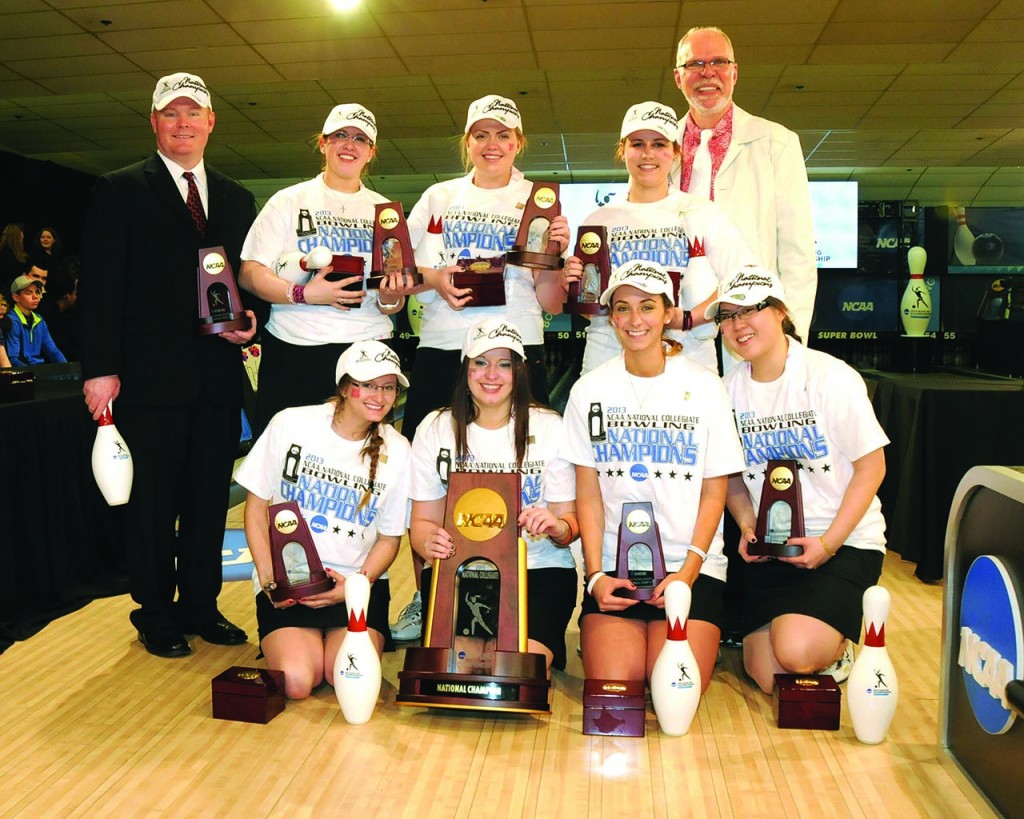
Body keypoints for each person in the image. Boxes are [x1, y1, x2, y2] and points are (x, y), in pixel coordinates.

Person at [78, 72, 258, 659]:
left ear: (211, 123)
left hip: (215, 377)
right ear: (154, 122)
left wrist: (248, 319)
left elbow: (241, 284)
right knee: (152, 502)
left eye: (194, 113)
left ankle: (201, 606)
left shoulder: (234, 197)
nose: (183, 123)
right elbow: (102, 288)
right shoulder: (120, 189)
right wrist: (100, 370)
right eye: (171, 113)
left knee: (209, 497)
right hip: (148, 377)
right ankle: (154, 613)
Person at [392, 95, 573, 640]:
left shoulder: (537, 200)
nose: (492, 145)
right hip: (447, 346)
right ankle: (428, 599)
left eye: (503, 135)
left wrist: (554, 260)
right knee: (433, 478)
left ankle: (517, 588)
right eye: (481, 135)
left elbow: (552, 304)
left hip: (516, 346)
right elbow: (398, 260)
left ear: (519, 143)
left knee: (516, 471)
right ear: (467, 142)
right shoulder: (439, 196)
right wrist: (436, 278)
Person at [561, 260, 744, 694]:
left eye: (647, 306)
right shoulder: (589, 390)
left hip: (690, 570)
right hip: (614, 570)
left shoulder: (705, 387)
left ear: (667, 313)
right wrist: (595, 576)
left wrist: (688, 572)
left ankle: (700, 634)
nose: (634, 319)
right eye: (622, 308)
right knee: (617, 683)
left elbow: (714, 492)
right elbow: (587, 494)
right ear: (612, 318)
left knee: (668, 691)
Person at [709, 266, 889, 693]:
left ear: (781, 312)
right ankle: (806, 635)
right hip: (773, 549)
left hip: (843, 543)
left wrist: (827, 545)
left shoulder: (830, 377)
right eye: (727, 316)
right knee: (771, 677)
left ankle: (837, 644)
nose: (738, 325)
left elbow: (872, 467)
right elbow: (730, 475)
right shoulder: (726, 390)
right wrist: (749, 524)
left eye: (750, 310)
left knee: (796, 654)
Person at [234, 341, 411, 699]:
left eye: (388, 386)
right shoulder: (291, 423)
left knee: (342, 675)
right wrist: (271, 582)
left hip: (357, 585)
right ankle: (292, 643)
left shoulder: (398, 449)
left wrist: (355, 587)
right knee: (298, 681)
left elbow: (390, 540)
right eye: (369, 385)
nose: (380, 396)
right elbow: (254, 509)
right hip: (289, 585)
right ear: (345, 388)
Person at [239, 103, 421, 435]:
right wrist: (303, 293)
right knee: (286, 462)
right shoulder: (288, 200)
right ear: (323, 144)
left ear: (371, 152)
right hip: (295, 350)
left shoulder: (385, 212)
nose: (349, 144)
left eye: (360, 139)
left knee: (364, 460)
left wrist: (392, 296)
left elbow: (391, 303)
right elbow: (250, 272)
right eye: (340, 135)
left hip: (367, 349)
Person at [408, 317, 577, 672]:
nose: (491, 375)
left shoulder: (550, 427)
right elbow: (422, 524)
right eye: (481, 363)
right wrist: (429, 543)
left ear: (519, 372)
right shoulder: (435, 428)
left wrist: (555, 526)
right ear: (465, 369)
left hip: (538, 569)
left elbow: (569, 525)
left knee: (515, 672)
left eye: (504, 364)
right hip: (461, 572)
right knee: (464, 671)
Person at [564, 101, 755, 375]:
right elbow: (590, 308)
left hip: (688, 359)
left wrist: (687, 318)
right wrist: (569, 284)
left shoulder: (702, 213)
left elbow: (740, 280)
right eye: (638, 144)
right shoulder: (598, 220)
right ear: (623, 150)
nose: (647, 154)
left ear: (675, 153)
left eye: (659, 144)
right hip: (607, 359)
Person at [674, 26, 816, 345]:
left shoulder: (777, 142)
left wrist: (792, 336)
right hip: (678, 323)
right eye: (694, 64)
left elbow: (798, 253)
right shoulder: (658, 148)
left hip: (753, 319)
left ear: (735, 73)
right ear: (678, 77)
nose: (707, 72)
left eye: (719, 62)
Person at [6, 275, 66, 366]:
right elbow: (13, 359)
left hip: (37, 371)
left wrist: (68, 370)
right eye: (29, 293)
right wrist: (34, 375)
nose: (35, 296)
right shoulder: (11, 320)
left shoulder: (39, 320)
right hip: (23, 375)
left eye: (37, 292)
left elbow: (53, 352)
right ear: (16, 297)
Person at [0, 223, 30, 296]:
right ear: (17, 236)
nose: (23, 237)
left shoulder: (4, 253)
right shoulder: (13, 257)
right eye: (21, 234)